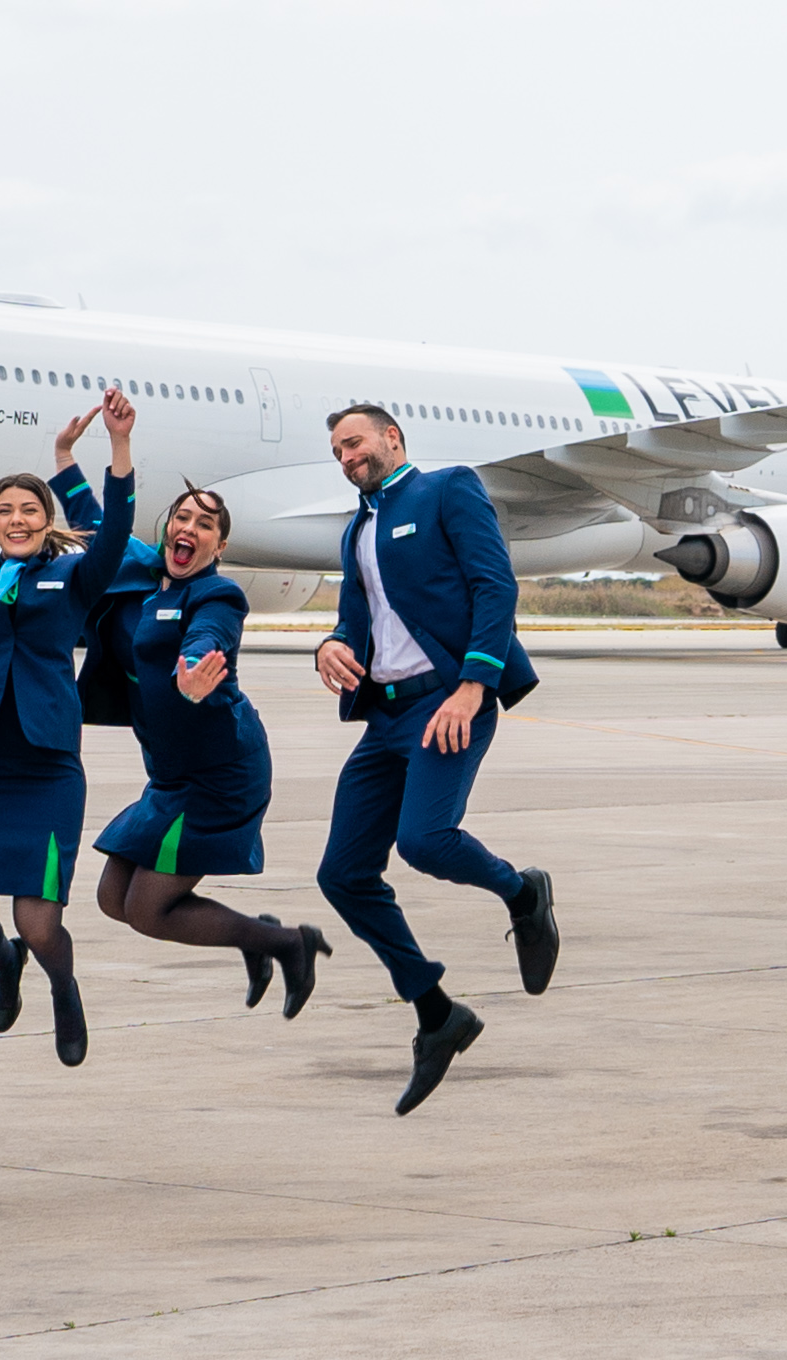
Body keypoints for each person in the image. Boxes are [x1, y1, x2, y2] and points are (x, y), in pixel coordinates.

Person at [311, 400, 561, 1114]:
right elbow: (359, 621)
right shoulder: (358, 528)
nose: (346, 456)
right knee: (343, 875)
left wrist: (474, 686)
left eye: (354, 442)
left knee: (424, 840)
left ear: (392, 437)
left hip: (449, 701)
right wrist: (329, 645)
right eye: (337, 451)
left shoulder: (449, 487)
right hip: (385, 715)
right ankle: (435, 1011)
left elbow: (495, 585)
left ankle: (522, 892)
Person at [0, 357, 138, 1064]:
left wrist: (119, 448)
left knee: (41, 923)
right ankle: (3, 965)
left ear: (46, 523)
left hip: (45, 768)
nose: (16, 519)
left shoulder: (73, 578)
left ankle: (62, 989)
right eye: (6, 510)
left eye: (29, 511)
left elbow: (117, 527)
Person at [83, 479, 325, 1014]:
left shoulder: (216, 594)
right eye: (182, 518)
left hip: (220, 771)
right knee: (110, 900)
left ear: (220, 547)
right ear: (168, 530)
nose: (189, 528)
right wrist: (64, 463)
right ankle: (258, 938)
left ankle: (288, 944)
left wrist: (194, 670)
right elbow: (100, 527)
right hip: (170, 773)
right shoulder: (147, 577)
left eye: (205, 524)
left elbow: (208, 635)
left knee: (148, 911)